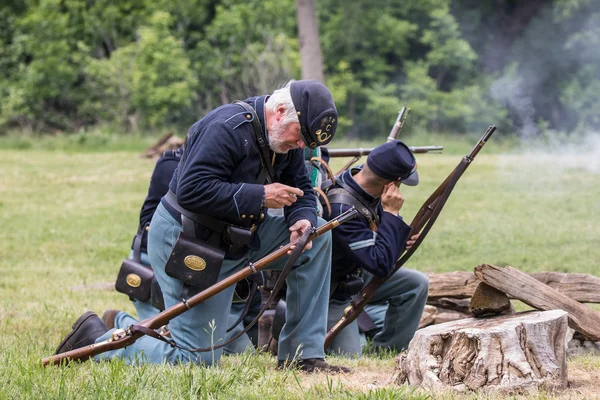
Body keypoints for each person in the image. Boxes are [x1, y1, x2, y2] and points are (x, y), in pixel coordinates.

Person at [55, 79, 349, 372]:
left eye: (306, 143)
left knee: (318, 235)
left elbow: (301, 190)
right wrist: (260, 195)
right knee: (196, 360)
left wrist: (302, 219)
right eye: (300, 136)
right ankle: (98, 337)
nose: (300, 146)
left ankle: (303, 355)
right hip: (188, 237)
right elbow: (192, 190)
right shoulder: (225, 127)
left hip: (240, 237)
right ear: (282, 111)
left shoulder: (288, 140)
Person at [323, 140, 429, 356]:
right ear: (391, 183)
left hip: (356, 274)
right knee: (351, 358)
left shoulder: (363, 184)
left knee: (415, 283)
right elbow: (381, 264)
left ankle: (389, 350)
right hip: (331, 293)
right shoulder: (342, 208)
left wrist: (399, 235)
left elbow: (377, 246)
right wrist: (391, 214)